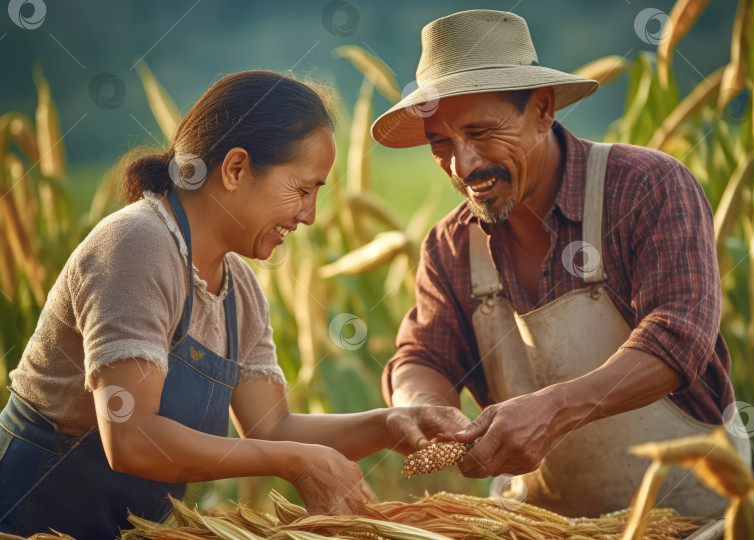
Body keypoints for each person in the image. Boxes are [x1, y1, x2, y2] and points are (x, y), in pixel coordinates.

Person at [0, 70, 462, 538]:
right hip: (28, 519)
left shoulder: (238, 288)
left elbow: (272, 428)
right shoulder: (137, 244)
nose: (309, 215)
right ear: (236, 168)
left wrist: (393, 422)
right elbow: (131, 437)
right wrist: (298, 464)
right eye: (302, 190)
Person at [372, 9, 754, 520]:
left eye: (481, 133)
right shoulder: (450, 246)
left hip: (701, 521)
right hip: (546, 528)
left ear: (542, 109)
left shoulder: (645, 188)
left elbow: (679, 337)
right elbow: (423, 356)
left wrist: (554, 410)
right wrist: (424, 408)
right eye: (441, 144)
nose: (464, 165)